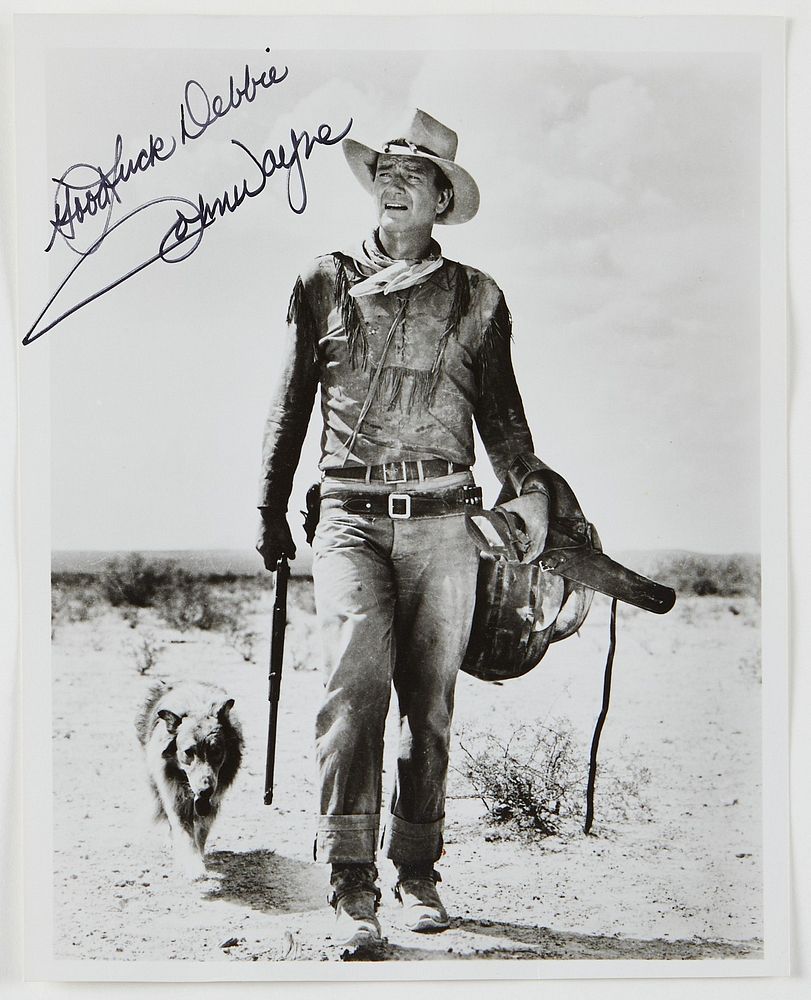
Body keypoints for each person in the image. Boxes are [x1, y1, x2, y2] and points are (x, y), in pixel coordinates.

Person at [256, 109, 558, 948]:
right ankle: (351, 885)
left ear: (438, 198)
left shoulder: (476, 295)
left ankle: (417, 874)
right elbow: (289, 402)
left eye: (412, 174)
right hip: (347, 515)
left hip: (444, 521)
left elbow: (503, 415)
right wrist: (268, 502)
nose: (393, 180)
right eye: (384, 168)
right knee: (352, 698)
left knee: (428, 705)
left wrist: (529, 492)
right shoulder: (321, 279)